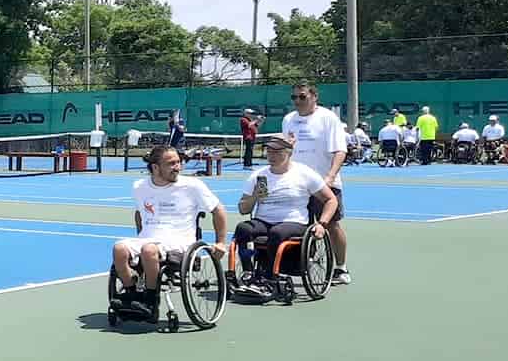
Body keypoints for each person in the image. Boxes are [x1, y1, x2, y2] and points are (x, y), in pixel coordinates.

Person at [110, 145, 229, 320]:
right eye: (171, 164)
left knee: (149, 250)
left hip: (181, 241)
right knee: (119, 249)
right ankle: (132, 293)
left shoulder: (192, 185)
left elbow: (218, 210)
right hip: (149, 237)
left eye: (178, 162)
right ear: (155, 167)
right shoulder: (139, 187)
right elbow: (139, 213)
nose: (177, 167)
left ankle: (151, 301)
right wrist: (141, 234)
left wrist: (220, 242)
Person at [233, 137, 338, 294]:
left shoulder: (304, 173)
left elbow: (331, 200)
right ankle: (249, 273)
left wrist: (322, 224)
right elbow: (243, 209)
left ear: (289, 153)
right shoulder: (258, 176)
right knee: (243, 229)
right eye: (269, 152)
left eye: (277, 152)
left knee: (277, 232)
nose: (272, 156)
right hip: (263, 221)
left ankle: (268, 278)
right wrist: (254, 195)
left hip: (294, 222)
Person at [281, 82, 351, 285]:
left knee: (331, 225)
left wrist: (329, 177)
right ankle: (300, 263)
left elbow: (340, 150)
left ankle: (341, 268)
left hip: (324, 183)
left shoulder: (328, 118)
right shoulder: (288, 120)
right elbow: (286, 150)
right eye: (294, 98)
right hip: (296, 184)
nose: (297, 101)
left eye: (302, 97)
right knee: (297, 225)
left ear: (314, 97)